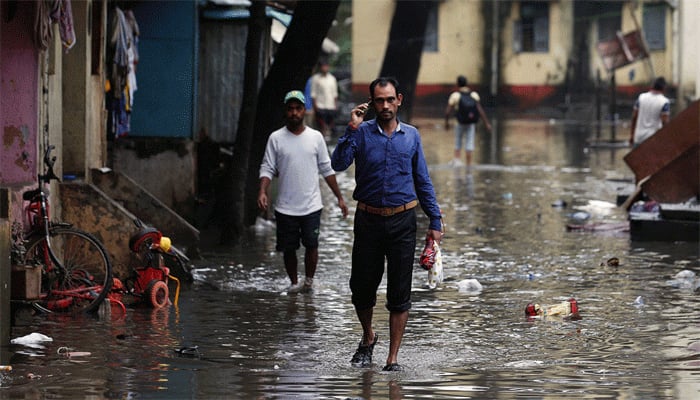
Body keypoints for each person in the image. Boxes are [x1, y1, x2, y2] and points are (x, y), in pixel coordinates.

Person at [331, 77, 443, 372]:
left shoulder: (412, 136)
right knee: (361, 289)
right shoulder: (362, 133)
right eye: (379, 100)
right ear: (372, 103)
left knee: (399, 293)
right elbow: (338, 164)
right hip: (367, 219)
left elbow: (423, 180)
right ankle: (368, 336)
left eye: (389, 99)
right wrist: (350, 128)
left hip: (403, 221)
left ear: (399, 100)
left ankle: (392, 358)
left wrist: (436, 220)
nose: (385, 105)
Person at [258, 90, 348, 293]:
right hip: (285, 207)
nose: (294, 113)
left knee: (311, 244)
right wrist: (262, 191)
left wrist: (340, 198)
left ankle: (308, 283)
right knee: (288, 248)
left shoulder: (315, 138)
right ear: (285, 112)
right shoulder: (276, 138)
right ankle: (293, 283)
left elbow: (327, 168)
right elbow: (267, 167)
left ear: (304, 111)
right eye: (290, 109)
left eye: (298, 108)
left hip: (312, 206)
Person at [444, 75, 491, 167]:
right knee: (469, 143)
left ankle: (457, 162)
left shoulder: (455, 96)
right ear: (467, 83)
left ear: (457, 84)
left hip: (459, 123)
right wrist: (487, 123)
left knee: (458, 142)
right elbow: (480, 110)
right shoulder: (474, 95)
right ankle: (468, 166)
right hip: (471, 123)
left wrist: (447, 123)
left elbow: (447, 111)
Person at [629, 76, 670, 147]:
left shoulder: (641, 97)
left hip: (639, 137)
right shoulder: (664, 101)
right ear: (664, 88)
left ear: (652, 86)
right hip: (653, 140)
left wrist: (632, 135)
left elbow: (634, 117)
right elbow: (665, 122)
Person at [311, 60, 339, 138]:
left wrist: (335, 106)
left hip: (330, 106)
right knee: (321, 126)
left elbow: (335, 94)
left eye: (326, 66)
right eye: (323, 66)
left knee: (330, 126)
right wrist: (315, 107)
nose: (325, 68)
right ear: (320, 68)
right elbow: (313, 94)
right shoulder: (316, 78)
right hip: (320, 106)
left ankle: (329, 141)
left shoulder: (332, 79)